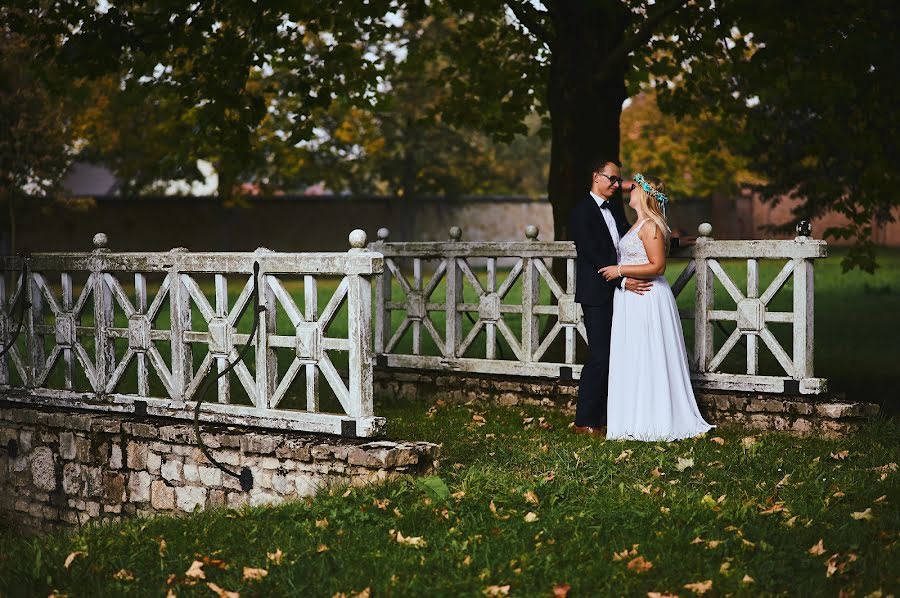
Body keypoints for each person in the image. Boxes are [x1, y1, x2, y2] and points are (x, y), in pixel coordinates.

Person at [599, 173, 713, 441]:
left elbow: (658, 266)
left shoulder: (650, 225)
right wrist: (625, 278)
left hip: (648, 297)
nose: (629, 190)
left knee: (649, 353)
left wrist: (619, 270)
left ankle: (655, 417)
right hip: (631, 297)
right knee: (634, 355)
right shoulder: (638, 224)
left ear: (645, 193)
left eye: (634, 187)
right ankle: (634, 416)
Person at [570, 158, 652, 437]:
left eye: (619, 180)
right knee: (600, 357)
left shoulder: (615, 208)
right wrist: (624, 279)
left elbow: (632, 241)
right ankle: (584, 421)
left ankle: (608, 416)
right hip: (597, 294)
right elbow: (593, 255)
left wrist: (670, 241)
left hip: (621, 293)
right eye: (613, 179)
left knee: (618, 356)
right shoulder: (581, 212)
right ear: (596, 176)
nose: (617, 185)